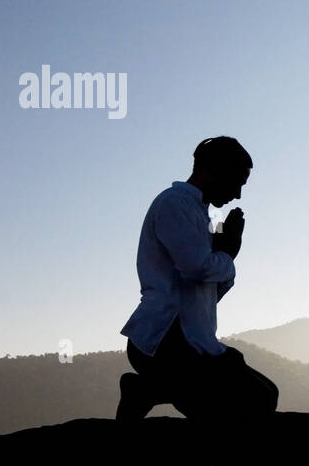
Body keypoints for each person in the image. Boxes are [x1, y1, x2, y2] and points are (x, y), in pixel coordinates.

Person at [116, 136, 279, 422]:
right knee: (247, 403)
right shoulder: (173, 204)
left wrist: (226, 252)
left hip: (192, 339)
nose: (238, 194)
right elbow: (198, 270)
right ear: (215, 170)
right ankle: (149, 388)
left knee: (266, 394)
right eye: (237, 181)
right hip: (166, 339)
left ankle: (148, 389)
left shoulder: (196, 214)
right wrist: (226, 253)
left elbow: (204, 293)